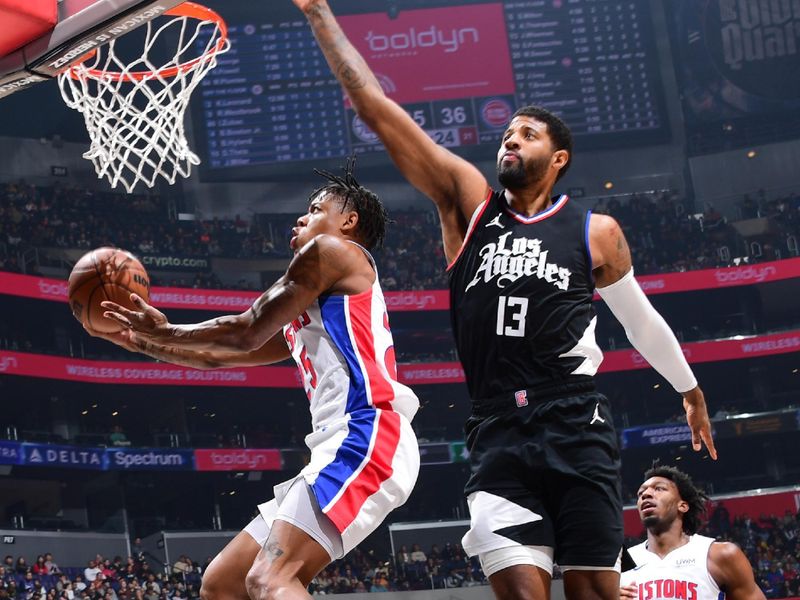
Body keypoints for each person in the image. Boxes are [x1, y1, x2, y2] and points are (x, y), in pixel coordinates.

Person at [290, 2, 718, 599]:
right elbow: (377, 110)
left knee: (595, 591)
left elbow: (639, 319)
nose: (511, 139)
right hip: (497, 430)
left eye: (528, 134)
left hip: (575, 421)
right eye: (507, 133)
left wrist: (689, 389)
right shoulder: (472, 209)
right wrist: (318, 15)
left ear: (558, 158)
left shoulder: (596, 231)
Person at [91, 162, 420, 600]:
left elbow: (247, 328)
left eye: (315, 208)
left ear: (349, 220)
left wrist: (164, 331)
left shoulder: (333, 252)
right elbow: (224, 355)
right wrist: (147, 345)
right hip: (341, 442)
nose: (300, 219)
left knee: (271, 579)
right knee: (222, 583)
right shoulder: (315, 304)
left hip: (366, 432)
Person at [621, 465, 765, 600]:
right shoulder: (620, 564)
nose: (646, 494)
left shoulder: (719, 555)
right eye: (641, 493)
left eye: (659, 489)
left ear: (682, 506)